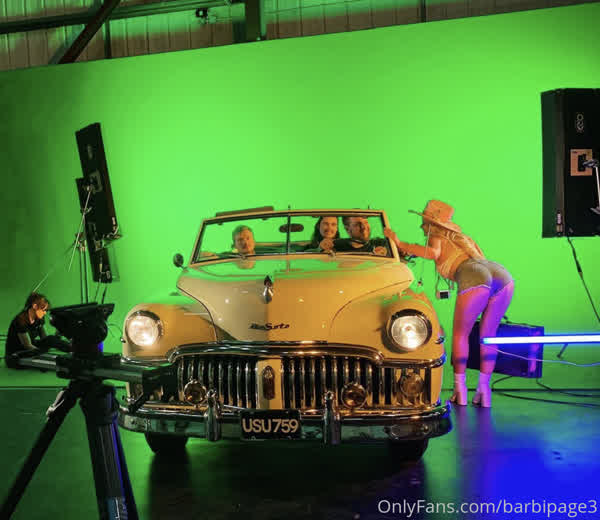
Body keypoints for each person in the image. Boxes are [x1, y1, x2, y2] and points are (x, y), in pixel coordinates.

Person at [384, 200, 514, 407]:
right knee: (488, 336)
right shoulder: (461, 238)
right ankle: (484, 390)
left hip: (474, 276)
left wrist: (399, 243)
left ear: (432, 224)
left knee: (461, 335)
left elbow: (433, 253)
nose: (421, 226)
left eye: (423, 222)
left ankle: (459, 390)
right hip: (501, 275)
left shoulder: (436, 235)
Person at [4, 293, 69, 369]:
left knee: (51, 339)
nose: (45, 313)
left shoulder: (39, 318)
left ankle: (73, 349)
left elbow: (45, 339)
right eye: (43, 310)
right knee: (40, 349)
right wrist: (42, 352)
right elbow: (27, 345)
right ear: (35, 306)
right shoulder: (21, 320)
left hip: (32, 347)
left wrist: (56, 339)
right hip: (17, 354)